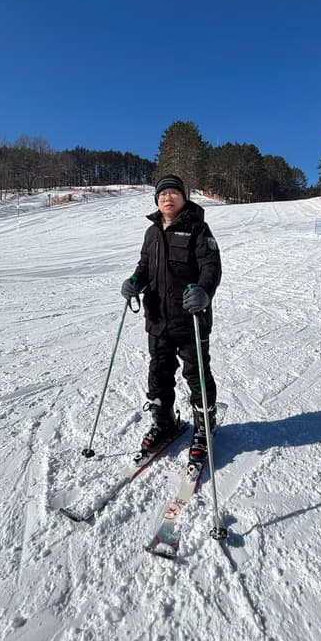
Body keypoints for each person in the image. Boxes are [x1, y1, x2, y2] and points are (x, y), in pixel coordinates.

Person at [121, 174, 222, 462]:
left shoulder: (198, 228)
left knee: (196, 375)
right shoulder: (152, 232)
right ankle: (164, 422)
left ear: (183, 198)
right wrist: (133, 282)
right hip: (158, 320)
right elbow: (144, 267)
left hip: (190, 319)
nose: (168, 197)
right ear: (157, 200)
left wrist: (204, 291)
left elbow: (211, 266)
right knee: (159, 374)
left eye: (173, 193)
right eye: (162, 194)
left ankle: (204, 427)